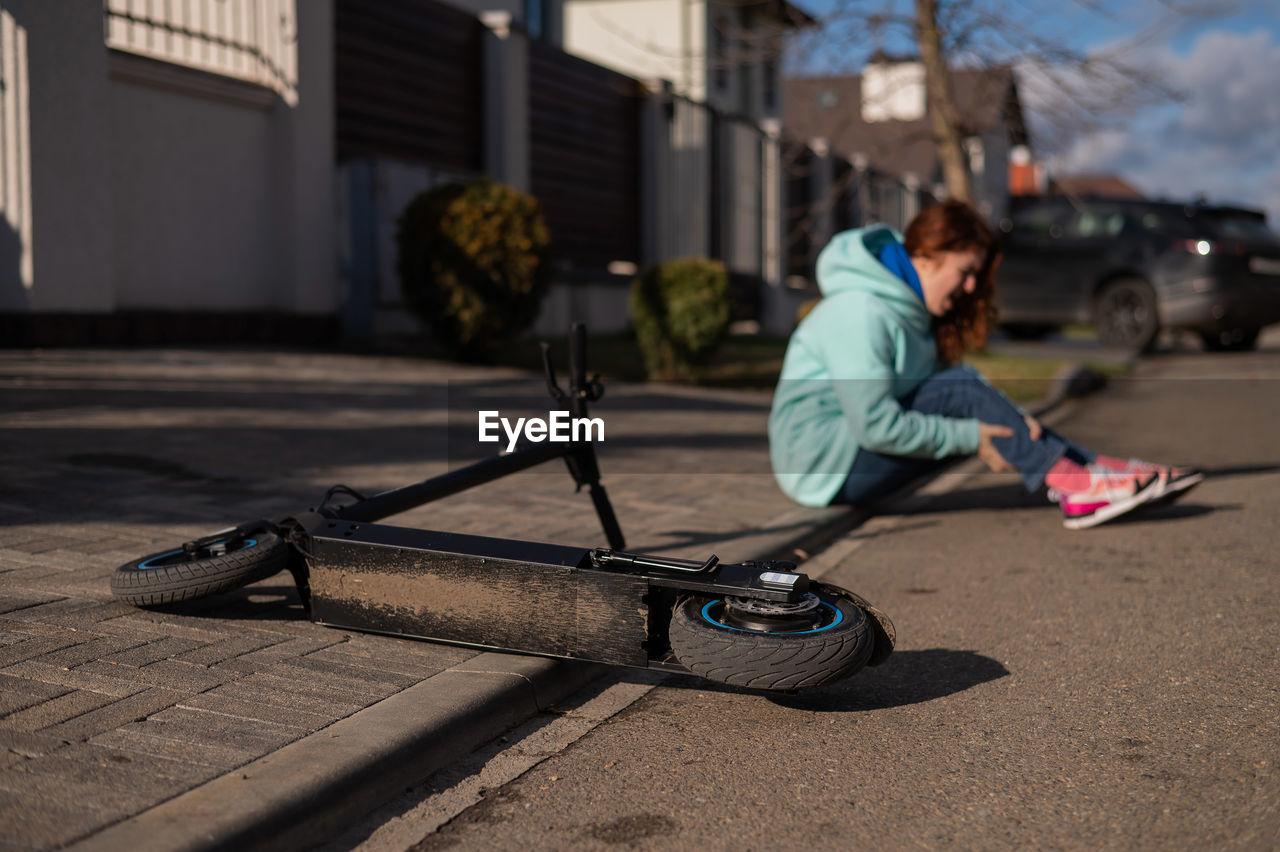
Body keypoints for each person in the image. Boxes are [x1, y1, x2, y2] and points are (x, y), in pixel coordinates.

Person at [768, 200, 1202, 530]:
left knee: (964, 388)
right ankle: (1078, 487)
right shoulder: (860, 312)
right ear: (925, 255)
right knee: (959, 389)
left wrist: (1011, 419)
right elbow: (875, 425)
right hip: (823, 469)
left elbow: (946, 392)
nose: (972, 285)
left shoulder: (907, 312)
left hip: (847, 457)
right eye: (965, 271)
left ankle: (1098, 471)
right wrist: (971, 437)